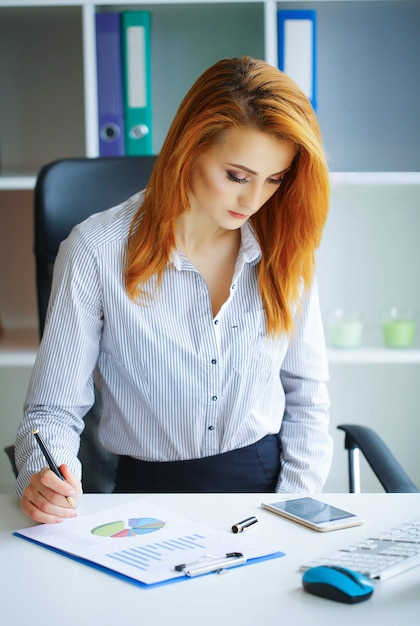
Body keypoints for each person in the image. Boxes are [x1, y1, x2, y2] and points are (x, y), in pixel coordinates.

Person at [15, 56, 333, 524]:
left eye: (275, 179)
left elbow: (307, 398)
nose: (254, 199)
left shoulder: (284, 245)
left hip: (268, 498)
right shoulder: (95, 251)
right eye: (237, 176)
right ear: (190, 147)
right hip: (145, 501)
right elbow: (53, 410)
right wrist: (42, 476)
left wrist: (292, 511)